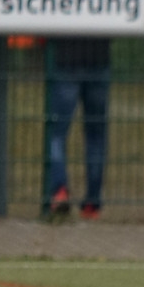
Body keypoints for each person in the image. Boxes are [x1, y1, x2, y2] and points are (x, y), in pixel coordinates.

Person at [44, 37, 112, 219]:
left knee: (55, 134)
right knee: (96, 136)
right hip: (99, 59)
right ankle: (92, 202)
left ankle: (59, 190)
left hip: (66, 60)